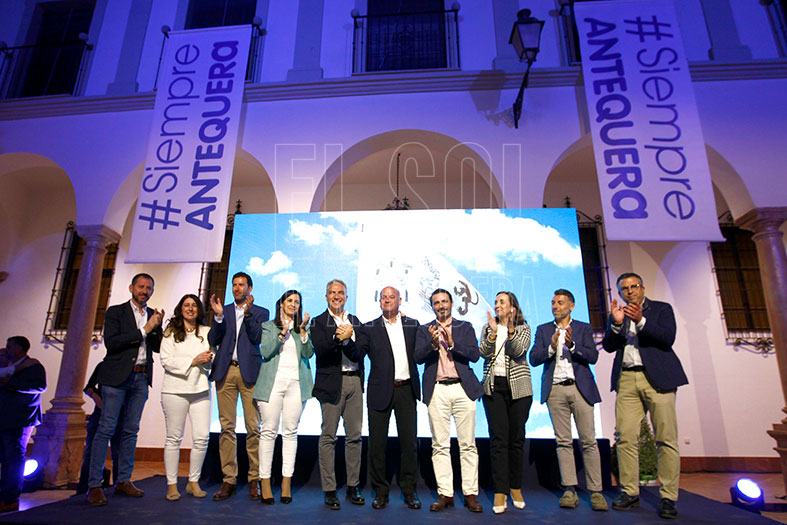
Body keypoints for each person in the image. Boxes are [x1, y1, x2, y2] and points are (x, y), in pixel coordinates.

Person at [602, 273, 688, 520]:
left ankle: (668, 497)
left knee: (666, 438)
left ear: (643, 288)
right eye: (624, 288)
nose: (629, 291)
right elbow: (608, 346)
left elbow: (667, 338)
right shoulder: (618, 313)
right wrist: (616, 324)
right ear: (620, 292)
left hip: (658, 379)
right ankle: (630, 492)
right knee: (625, 438)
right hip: (627, 379)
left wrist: (641, 321)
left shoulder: (661, 309)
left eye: (634, 286)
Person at [87, 273, 164, 507]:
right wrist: (144, 330)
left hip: (141, 377)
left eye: (148, 288)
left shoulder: (152, 315)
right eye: (141, 286)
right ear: (131, 288)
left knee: (131, 430)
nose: (144, 291)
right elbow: (112, 343)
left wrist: (157, 327)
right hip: (116, 378)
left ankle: (124, 480)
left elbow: (157, 348)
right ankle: (94, 485)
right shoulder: (116, 312)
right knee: (106, 429)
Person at [530, 289, 607, 512]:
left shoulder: (583, 328)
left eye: (560, 303)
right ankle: (570, 489)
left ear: (571, 306)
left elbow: (592, 356)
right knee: (563, 441)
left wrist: (572, 346)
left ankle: (596, 491)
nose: (555, 306)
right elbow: (534, 358)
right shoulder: (544, 330)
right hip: (555, 390)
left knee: (589, 441)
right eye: (553, 302)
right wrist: (552, 347)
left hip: (580, 388)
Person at [415, 288, 484, 513]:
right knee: (440, 445)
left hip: (463, 389)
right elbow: (417, 357)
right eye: (437, 303)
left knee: (468, 444)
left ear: (451, 304)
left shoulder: (465, 327)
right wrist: (432, 345)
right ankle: (445, 493)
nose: (441, 306)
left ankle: (470, 494)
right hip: (437, 390)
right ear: (432, 306)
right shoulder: (425, 329)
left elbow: (474, 355)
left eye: (444, 301)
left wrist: (453, 345)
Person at [356, 286, 421, 510]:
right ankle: (380, 491)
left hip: (406, 390)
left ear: (400, 300)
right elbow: (357, 353)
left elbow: (421, 354)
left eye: (392, 297)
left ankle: (409, 491)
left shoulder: (413, 325)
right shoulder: (369, 328)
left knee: (409, 444)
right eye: (384, 297)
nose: (387, 300)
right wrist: (345, 339)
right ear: (379, 302)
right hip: (379, 391)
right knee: (377, 446)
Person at [208, 271, 269, 501]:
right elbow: (213, 340)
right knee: (227, 428)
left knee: (254, 428)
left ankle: (255, 479)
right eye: (234, 284)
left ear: (249, 288)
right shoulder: (223, 311)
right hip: (226, 372)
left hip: (249, 373)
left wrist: (249, 313)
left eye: (241, 285)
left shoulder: (261, 312)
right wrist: (218, 318)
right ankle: (229, 480)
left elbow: (257, 338)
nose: (237, 288)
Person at [253, 290, 313, 505]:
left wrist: (303, 332)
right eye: (290, 300)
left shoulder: (302, 328)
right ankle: (265, 482)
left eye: (297, 302)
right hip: (272, 384)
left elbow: (308, 354)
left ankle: (286, 483)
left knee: (290, 432)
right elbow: (266, 351)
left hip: (296, 384)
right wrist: (282, 333)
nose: (293, 304)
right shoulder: (269, 326)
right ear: (281, 303)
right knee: (268, 431)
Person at [311, 279, 365, 509]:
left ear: (346, 296)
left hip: (354, 382)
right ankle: (330, 489)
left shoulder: (355, 322)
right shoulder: (318, 321)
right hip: (331, 384)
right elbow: (322, 350)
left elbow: (359, 354)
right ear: (326, 297)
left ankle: (353, 486)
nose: (336, 296)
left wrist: (347, 340)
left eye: (340, 292)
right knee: (328, 437)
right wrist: (338, 338)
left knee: (354, 437)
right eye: (332, 292)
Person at [479, 291, 532, 514]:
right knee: (498, 440)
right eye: (496, 302)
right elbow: (482, 353)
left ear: (512, 308)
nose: (497, 305)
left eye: (502, 302)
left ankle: (515, 487)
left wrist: (509, 330)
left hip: (519, 390)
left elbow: (518, 351)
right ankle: (500, 491)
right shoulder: (487, 328)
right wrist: (493, 334)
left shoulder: (523, 328)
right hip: (494, 388)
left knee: (516, 440)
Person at [160, 294, 213, 501]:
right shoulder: (170, 332)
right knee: (174, 438)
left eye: (194, 306)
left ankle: (193, 481)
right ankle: (172, 484)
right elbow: (166, 360)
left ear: (199, 310)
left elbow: (212, 358)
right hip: (174, 390)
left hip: (200, 389)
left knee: (202, 437)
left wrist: (207, 360)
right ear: (180, 309)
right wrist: (192, 361)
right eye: (186, 305)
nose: (190, 309)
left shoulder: (207, 332)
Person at [0, 336, 46, 514]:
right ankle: (4, 493)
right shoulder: (8, 366)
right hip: (5, 417)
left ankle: (11, 498)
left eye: (10, 346)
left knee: (14, 459)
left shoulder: (34, 366)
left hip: (21, 418)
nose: (7, 349)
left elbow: (40, 386)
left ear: (20, 348)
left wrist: (10, 383)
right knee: (6, 459)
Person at [76, 362, 122, 494]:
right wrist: (99, 401)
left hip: (120, 413)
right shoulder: (104, 365)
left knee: (119, 453)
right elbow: (89, 387)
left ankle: (119, 486)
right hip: (101, 412)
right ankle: (86, 488)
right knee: (91, 451)